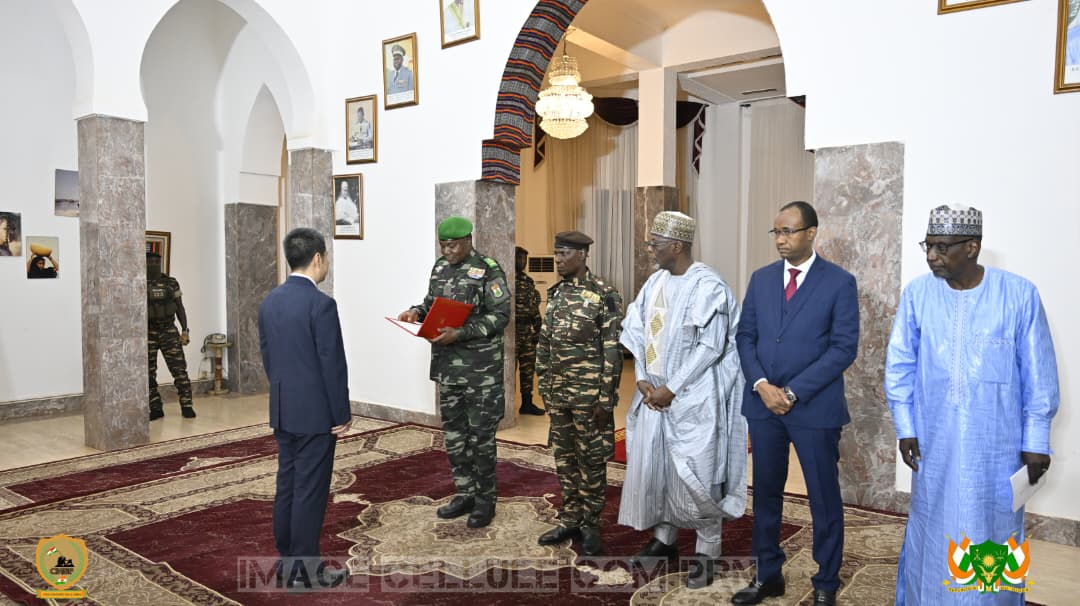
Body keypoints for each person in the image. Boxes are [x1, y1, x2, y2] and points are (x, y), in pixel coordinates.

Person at [885, 205, 1059, 605]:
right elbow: (900, 366)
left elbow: (1039, 374)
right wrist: (905, 426)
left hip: (996, 451)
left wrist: (1037, 438)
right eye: (928, 246)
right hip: (935, 443)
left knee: (992, 529)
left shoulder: (1018, 294)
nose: (932, 256)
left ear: (972, 247)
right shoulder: (918, 294)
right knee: (932, 527)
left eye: (942, 248)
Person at [732, 201, 858, 606]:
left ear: (811, 233)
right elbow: (745, 337)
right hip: (764, 406)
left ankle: (825, 583)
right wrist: (763, 385)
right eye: (776, 232)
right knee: (766, 492)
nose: (781, 240)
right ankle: (768, 575)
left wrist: (793, 391)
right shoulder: (762, 279)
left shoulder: (839, 283)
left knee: (823, 497)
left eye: (788, 231)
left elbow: (843, 349)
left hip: (814, 408)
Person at [619, 211, 748, 590]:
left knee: (697, 475)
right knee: (659, 469)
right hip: (654, 395)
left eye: (655, 244)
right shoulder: (655, 282)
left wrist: (671, 388)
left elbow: (711, 347)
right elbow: (637, 329)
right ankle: (664, 540)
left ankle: (708, 552)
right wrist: (642, 375)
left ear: (677, 245)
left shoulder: (709, 286)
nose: (650, 251)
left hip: (693, 398)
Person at [397, 216, 510, 528]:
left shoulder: (488, 269)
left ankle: (485, 499)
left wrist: (461, 333)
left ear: (469, 240)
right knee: (455, 437)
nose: (448, 251)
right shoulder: (440, 268)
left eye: (453, 245)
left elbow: (500, 316)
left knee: (481, 438)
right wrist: (416, 312)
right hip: (449, 369)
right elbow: (430, 304)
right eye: (443, 245)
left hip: (480, 372)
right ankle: (465, 492)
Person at [258, 227, 351, 589]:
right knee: (310, 490)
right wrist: (340, 414)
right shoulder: (321, 304)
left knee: (288, 484)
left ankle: (287, 561)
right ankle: (306, 571)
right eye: (326, 257)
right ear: (317, 258)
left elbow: (268, 358)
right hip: (315, 414)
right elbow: (332, 363)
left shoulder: (270, 301)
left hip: (283, 408)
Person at [535, 231, 623, 556]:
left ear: (583, 255)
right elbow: (544, 342)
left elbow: (612, 351)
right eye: (556, 254)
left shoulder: (605, 295)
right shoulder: (556, 293)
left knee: (593, 460)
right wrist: (544, 385)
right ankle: (570, 517)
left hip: (590, 398)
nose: (558, 260)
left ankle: (591, 524)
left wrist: (605, 399)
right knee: (565, 457)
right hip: (559, 394)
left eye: (563, 254)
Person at [146, 251, 195, 420]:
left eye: (155, 260)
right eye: (149, 260)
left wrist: (185, 330)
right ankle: (155, 407)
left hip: (169, 331)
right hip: (148, 333)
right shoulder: (138, 283)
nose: (153, 263)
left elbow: (180, 307)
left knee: (179, 370)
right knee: (147, 374)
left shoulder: (171, 283)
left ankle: (187, 405)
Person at [514, 245, 545, 416]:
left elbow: (534, 308)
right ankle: (504, 406)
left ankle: (527, 403)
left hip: (527, 331)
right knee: (509, 370)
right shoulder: (504, 280)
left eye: (524, 259)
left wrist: (538, 330)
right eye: (519, 258)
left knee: (528, 369)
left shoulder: (528, 281)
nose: (521, 262)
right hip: (511, 331)